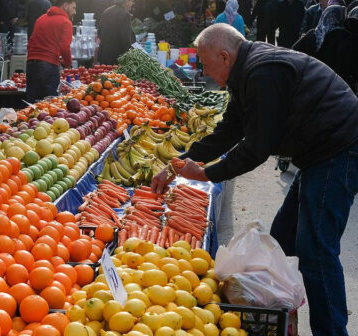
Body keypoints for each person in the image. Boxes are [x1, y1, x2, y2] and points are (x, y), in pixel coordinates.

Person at [151, 23, 358, 336]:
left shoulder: (263, 73)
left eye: (206, 65)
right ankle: (278, 311)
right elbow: (229, 131)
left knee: (315, 248)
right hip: (318, 151)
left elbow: (256, 148)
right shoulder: (246, 71)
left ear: (224, 56)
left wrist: (207, 173)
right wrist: (177, 164)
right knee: (283, 238)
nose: (205, 73)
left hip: (337, 148)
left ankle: (331, 330)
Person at [25, 0, 75, 102]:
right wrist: (67, 63)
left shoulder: (40, 19)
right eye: (73, 8)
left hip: (31, 65)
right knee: (50, 103)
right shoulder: (66, 22)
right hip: (48, 65)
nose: (75, 12)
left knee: (30, 103)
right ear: (65, 5)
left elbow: (31, 42)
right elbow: (65, 47)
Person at [293, 6, 355, 87]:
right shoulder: (344, 36)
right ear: (341, 17)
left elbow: (295, 49)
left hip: (313, 79)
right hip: (336, 83)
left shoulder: (312, 34)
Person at [97, 0, 136, 65]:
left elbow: (99, 32)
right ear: (126, 2)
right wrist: (130, 57)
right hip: (117, 58)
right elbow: (125, 39)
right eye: (132, 1)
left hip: (104, 56)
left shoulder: (106, 11)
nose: (132, 3)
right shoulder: (125, 14)